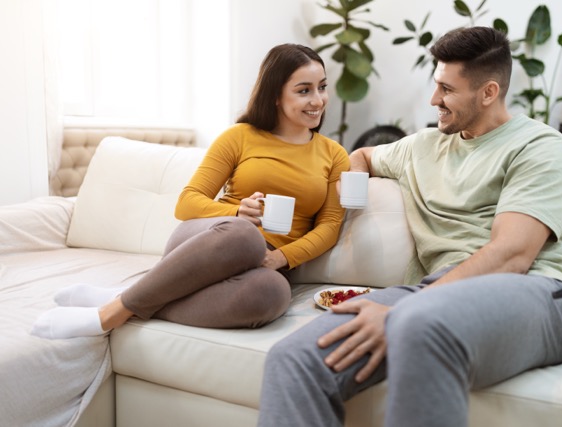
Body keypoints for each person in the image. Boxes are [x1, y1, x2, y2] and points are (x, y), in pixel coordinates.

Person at [257, 27, 562, 427]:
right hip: (433, 295)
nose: (433, 100)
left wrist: (406, 309)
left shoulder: (540, 147)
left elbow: (512, 255)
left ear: (488, 93)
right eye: (436, 86)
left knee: (418, 323)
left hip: (536, 293)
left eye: (446, 89)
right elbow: (361, 154)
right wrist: (354, 188)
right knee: (294, 359)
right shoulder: (423, 146)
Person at [31, 43, 350, 340]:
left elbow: (329, 226)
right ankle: (108, 315)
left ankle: (128, 295)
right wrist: (237, 212)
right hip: (212, 240)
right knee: (245, 236)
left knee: (273, 294)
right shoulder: (240, 137)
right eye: (303, 90)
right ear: (276, 95)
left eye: (322, 87)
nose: (318, 100)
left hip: (267, 263)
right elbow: (187, 204)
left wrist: (281, 257)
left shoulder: (334, 155)